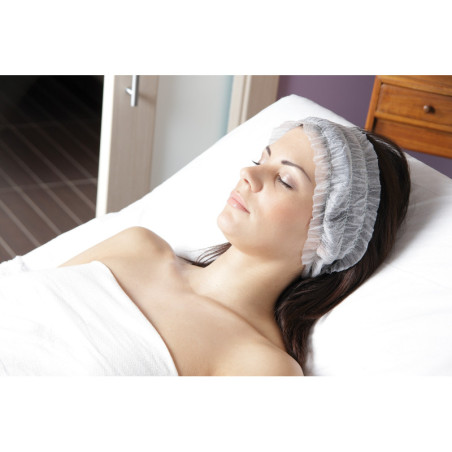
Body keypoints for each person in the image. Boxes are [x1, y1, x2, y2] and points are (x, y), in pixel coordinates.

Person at [58, 117, 410, 376]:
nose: (247, 173)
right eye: (260, 161)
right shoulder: (137, 245)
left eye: (285, 180)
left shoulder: (260, 366)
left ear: (328, 236)